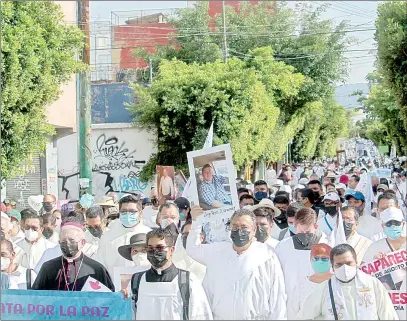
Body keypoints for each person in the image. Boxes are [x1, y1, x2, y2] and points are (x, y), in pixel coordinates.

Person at [187, 207, 287, 319]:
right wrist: (196, 222)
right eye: (235, 227)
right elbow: (193, 249)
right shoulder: (218, 251)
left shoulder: (267, 255)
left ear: (254, 230)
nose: (239, 231)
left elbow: (277, 296)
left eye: (244, 227)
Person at [123, 228, 213, 320]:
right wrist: (120, 299)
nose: (154, 252)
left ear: (171, 250)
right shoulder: (137, 280)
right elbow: (128, 315)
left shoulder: (187, 280)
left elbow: (201, 316)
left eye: (159, 248)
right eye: (150, 248)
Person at [297, 244, 398, 320]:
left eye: (349, 263)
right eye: (339, 265)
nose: (345, 268)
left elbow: (389, 316)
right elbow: (304, 316)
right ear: (332, 266)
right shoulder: (325, 288)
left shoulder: (373, 284)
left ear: (356, 262)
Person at [32, 217, 115, 291]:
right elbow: (35, 298)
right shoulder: (48, 268)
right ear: (59, 242)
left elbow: (109, 300)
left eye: (72, 240)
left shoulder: (97, 269)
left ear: (82, 242)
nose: (67, 244)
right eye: (63, 241)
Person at [275, 207, 329, 309]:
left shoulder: (327, 245)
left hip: (318, 301)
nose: (304, 235)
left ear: (316, 226)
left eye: (308, 233)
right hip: (291, 302)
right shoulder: (283, 247)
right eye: (301, 232)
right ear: (295, 226)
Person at [95, 195, 151, 276]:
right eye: (124, 211)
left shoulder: (149, 234)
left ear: (140, 213)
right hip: (113, 283)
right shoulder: (108, 237)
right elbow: (101, 263)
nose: (128, 215)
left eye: (132, 211)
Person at [288, 244, 333, 319]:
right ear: (310, 260)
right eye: (316, 258)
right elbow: (292, 311)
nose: (320, 261)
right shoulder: (302, 284)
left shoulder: (337, 282)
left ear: (332, 260)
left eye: (324, 258)